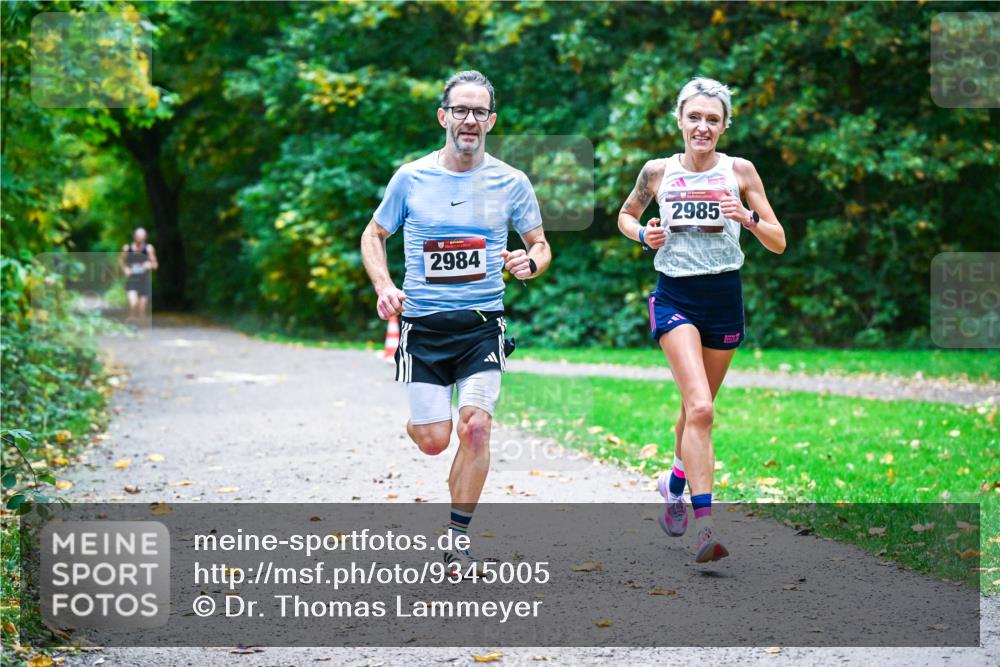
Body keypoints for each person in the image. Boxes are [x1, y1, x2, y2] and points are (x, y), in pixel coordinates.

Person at [360, 70, 551, 572]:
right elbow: (373, 235)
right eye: (461, 110)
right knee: (435, 440)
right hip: (423, 327)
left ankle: (457, 540)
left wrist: (529, 263)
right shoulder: (411, 178)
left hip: (482, 323)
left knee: (477, 429)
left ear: (491, 119)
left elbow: (540, 244)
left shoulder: (511, 182)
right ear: (443, 116)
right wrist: (384, 287)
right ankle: (428, 422)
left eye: (480, 112)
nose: (470, 120)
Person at [617, 77, 786, 562]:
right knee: (702, 408)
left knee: (699, 406)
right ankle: (704, 526)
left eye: (713, 119)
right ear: (679, 120)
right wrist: (641, 236)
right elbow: (626, 216)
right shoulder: (657, 171)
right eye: (694, 117)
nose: (703, 126)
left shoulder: (740, 171)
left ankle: (674, 479)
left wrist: (748, 219)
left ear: (724, 126)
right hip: (676, 296)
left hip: (724, 295)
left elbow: (778, 240)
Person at [118, 227, 158, 327]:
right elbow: (121, 260)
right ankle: (131, 325)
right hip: (132, 280)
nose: (140, 238)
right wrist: (125, 269)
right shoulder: (127, 248)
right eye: (138, 236)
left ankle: (139, 326)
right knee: (133, 304)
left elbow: (155, 265)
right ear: (134, 237)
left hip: (144, 281)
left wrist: (150, 265)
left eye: (142, 236)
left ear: (145, 237)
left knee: (141, 309)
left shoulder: (149, 248)